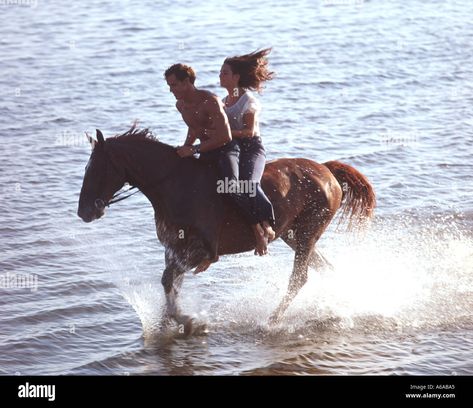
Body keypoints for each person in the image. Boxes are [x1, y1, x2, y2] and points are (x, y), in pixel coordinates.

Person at [164, 64, 272, 270]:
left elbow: (225, 136)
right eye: (169, 86)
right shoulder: (180, 104)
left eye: (174, 84)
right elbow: (194, 128)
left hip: (226, 149)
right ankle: (197, 240)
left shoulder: (211, 101)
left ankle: (258, 229)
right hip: (205, 149)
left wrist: (194, 150)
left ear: (187, 82)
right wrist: (185, 147)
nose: (171, 90)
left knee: (229, 187)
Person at [219, 48, 276, 248]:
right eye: (220, 72)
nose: (220, 75)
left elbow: (249, 132)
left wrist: (224, 134)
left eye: (224, 72)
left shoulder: (248, 101)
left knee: (249, 184)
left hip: (252, 148)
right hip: (232, 149)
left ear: (236, 77)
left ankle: (267, 223)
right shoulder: (223, 102)